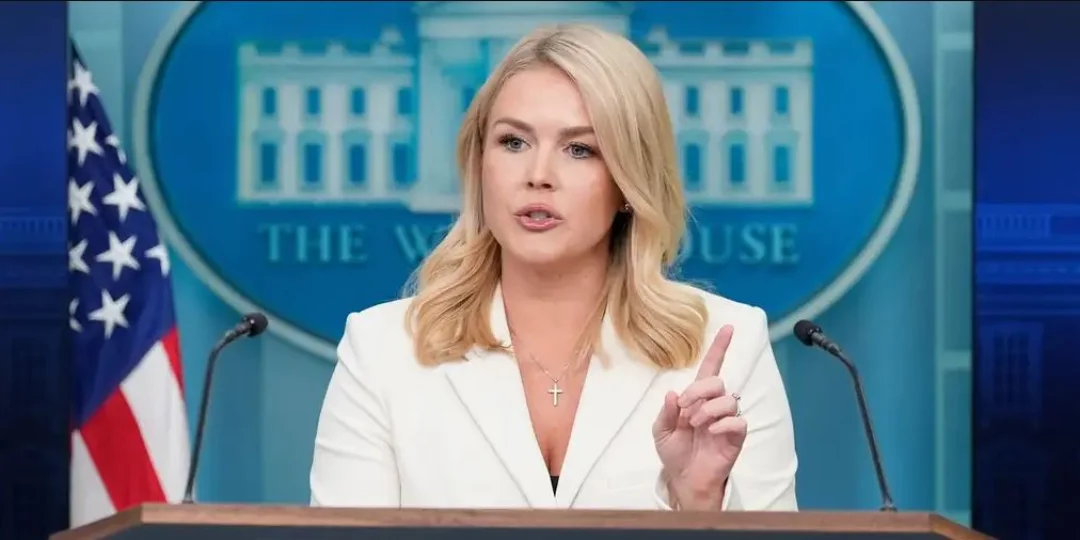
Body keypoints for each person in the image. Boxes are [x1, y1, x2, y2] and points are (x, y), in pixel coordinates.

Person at [309, 23, 797, 511]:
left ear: (629, 180)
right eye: (513, 142)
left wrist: (700, 501)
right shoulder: (382, 350)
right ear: (479, 164)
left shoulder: (728, 349)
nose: (538, 175)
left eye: (579, 149)